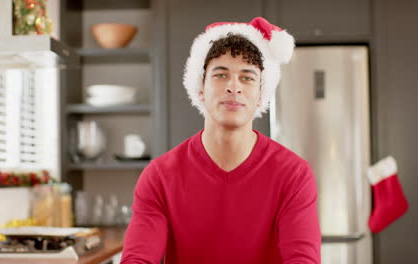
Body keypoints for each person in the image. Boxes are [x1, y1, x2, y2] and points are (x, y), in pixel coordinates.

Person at [121, 17, 321, 264]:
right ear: (200, 88)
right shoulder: (159, 176)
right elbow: (137, 259)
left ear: (261, 95)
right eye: (220, 74)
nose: (234, 87)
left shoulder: (294, 174)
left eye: (247, 77)